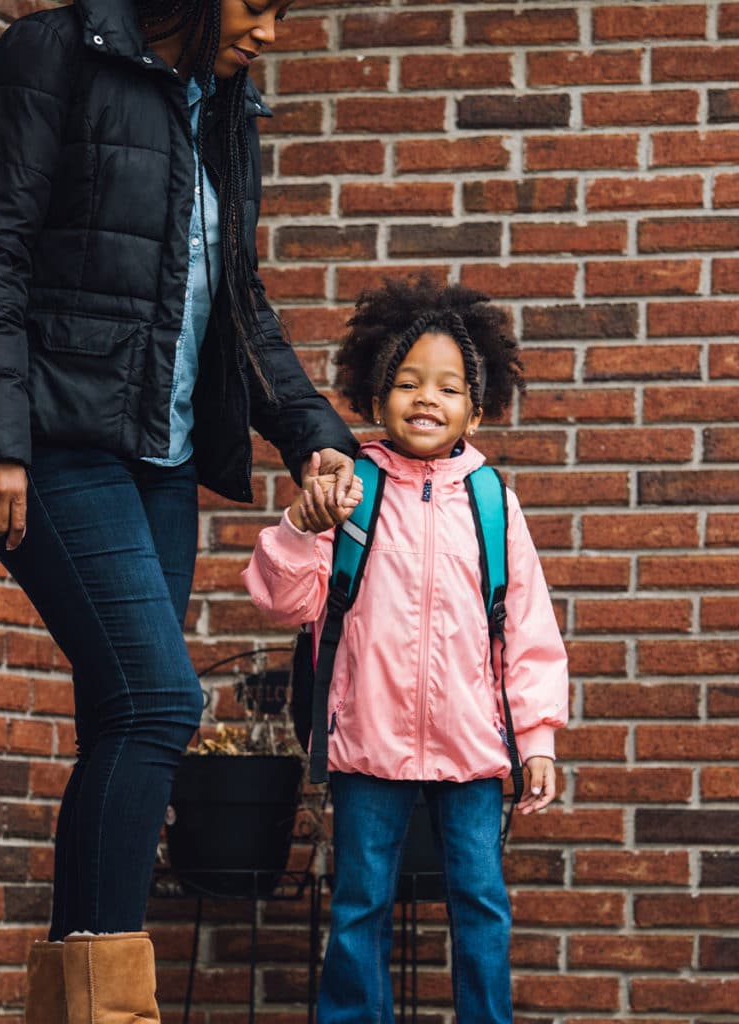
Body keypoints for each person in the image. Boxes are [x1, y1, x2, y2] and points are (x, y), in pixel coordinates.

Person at [0, 1, 359, 1020]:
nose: (273, 31)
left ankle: (73, 1002)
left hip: (156, 459)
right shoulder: (53, 53)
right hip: (54, 439)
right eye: (257, 5)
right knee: (162, 702)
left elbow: (235, 297)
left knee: (125, 717)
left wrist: (312, 433)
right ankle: (111, 1009)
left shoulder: (224, 103)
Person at [242, 277, 569, 1024]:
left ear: (475, 409)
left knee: (481, 905)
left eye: (449, 387)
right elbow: (282, 599)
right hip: (367, 743)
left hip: (475, 746)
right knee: (360, 905)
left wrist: (538, 736)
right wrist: (297, 526)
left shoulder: (492, 501)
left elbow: (528, 628)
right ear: (375, 394)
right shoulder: (350, 487)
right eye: (408, 381)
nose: (428, 398)